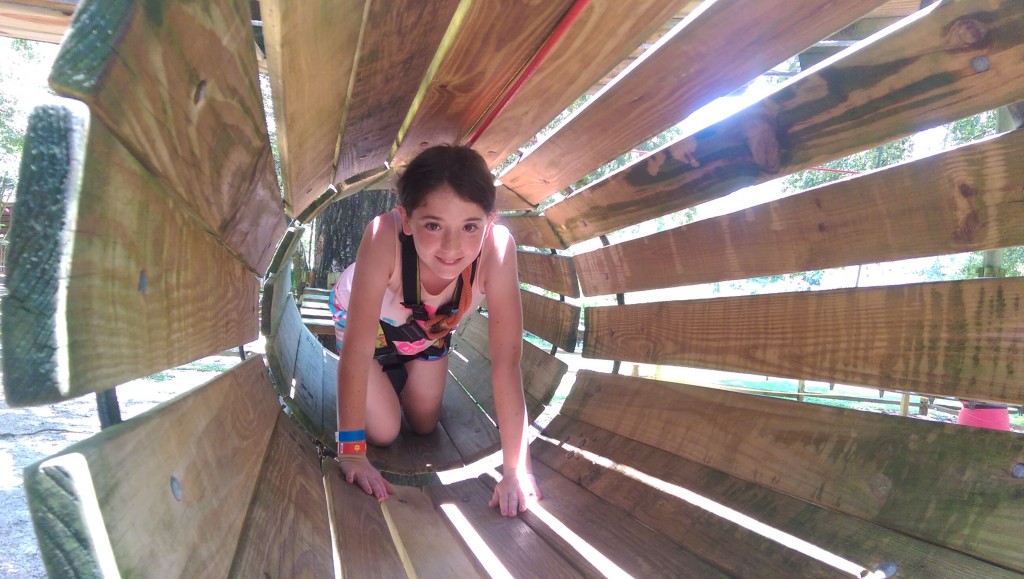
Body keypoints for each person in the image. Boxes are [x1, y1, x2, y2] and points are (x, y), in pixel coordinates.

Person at [328, 144, 540, 517]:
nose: (451, 247)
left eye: (469, 226)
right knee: (385, 432)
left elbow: (506, 363)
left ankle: (396, 377)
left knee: (425, 424)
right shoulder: (383, 235)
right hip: (367, 328)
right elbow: (358, 350)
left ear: (490, 222)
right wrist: (351, 453)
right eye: (433, 225)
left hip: (427, 332)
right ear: (407, 219)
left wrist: (515, 470)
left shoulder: (498, 250)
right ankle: (378, 382)